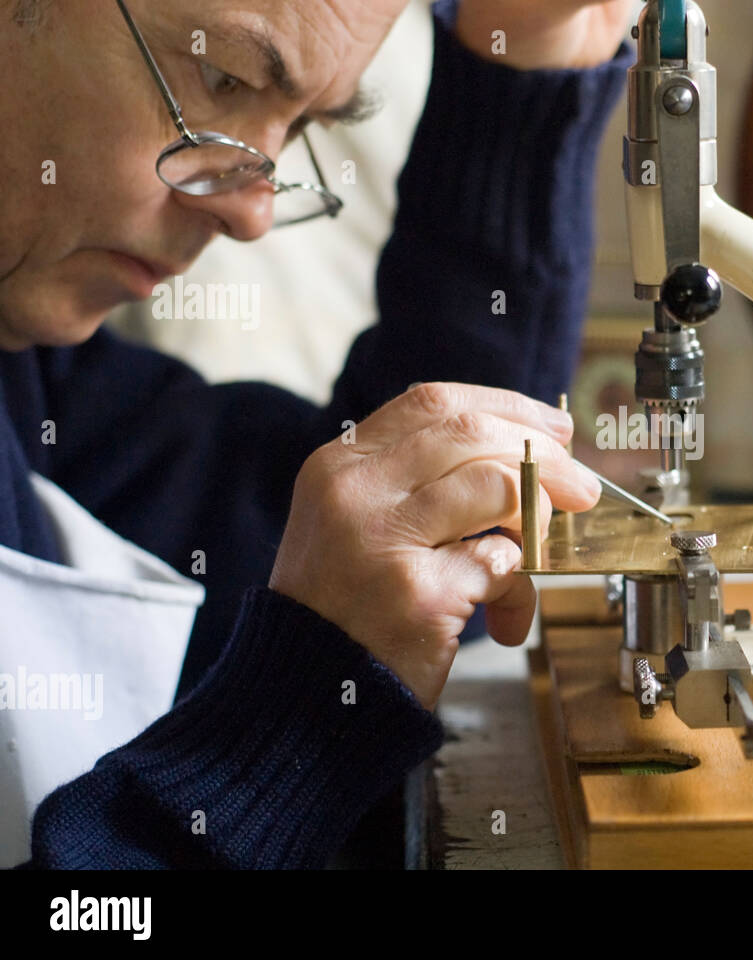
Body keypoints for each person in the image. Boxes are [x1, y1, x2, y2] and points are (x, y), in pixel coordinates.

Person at [0, 0, 636, 867]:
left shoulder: (31, 373)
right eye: (223, 79)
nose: (251, 214)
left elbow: (318, 554)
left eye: (302, 128)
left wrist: (528, 54)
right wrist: (294, 725)